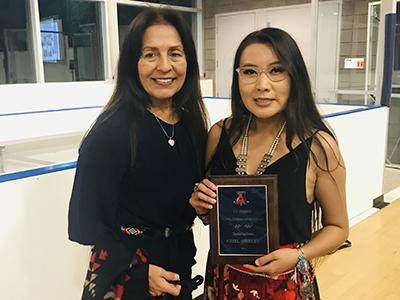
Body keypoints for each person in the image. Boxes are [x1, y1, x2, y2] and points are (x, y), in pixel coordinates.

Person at [189, 27, 349, 300]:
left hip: (283, 285)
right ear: (237, 78)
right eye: (250, 72)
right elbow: (211, 216)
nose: (262, 85)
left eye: (276, 70)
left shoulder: (319, 147)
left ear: (294, 77)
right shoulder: (219, 134)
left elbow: (338, 228)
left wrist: (298, 255)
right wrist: (200, 206)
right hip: (224, 280)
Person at [68, 8, 208, 300]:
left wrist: (200, 204)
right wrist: (138, 271)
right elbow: (86, 224)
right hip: (128, 278)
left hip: (179, 266)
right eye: (150, 54)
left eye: (175, 53)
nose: (165, 66)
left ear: (189, 61)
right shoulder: (111, 131)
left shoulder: (191, 125)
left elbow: (176, 204)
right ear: (134, 63)